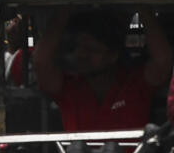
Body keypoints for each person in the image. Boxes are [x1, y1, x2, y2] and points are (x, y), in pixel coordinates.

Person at [33, 8, 173, 132]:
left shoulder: (135, 83)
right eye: (78, 48)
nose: (81, 54)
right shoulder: (69, 86)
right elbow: (41, 61)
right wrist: (64, 10)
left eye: (90, 49)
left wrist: (143, 10)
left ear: (113, 55)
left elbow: (163, 61)